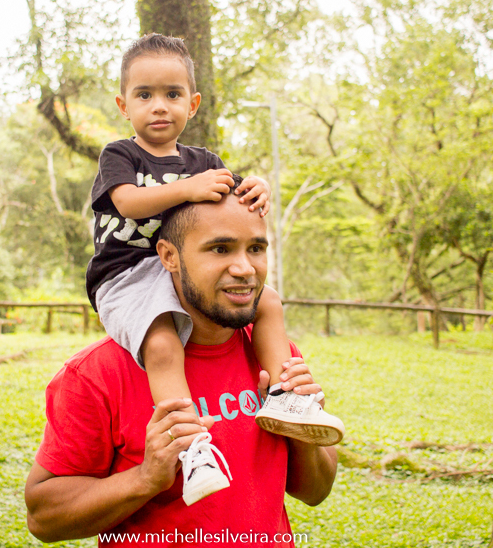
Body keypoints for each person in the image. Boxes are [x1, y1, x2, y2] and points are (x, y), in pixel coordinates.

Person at [85, 33, 344, 504]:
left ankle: (287, 393)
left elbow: (233, 199)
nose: (159, 106)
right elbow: (128, 202)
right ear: (124, 105)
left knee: (267, 300)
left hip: (179, 268)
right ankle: (193, 446)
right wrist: (189, 189)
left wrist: (257, 187)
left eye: (172, 94)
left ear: (194, 103)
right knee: (162, 341)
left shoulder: (203, 162)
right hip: (125, 272)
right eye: (144, 95)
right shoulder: (120, 155)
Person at [26, 181, 339, 546]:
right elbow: (43, 518)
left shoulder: (275, 355)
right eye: (219, 248)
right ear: (169, 256)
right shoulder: (98, 372)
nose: (244, 268)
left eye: (256, 248)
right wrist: (146, 478)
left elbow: (315, 491)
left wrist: (298, 428)